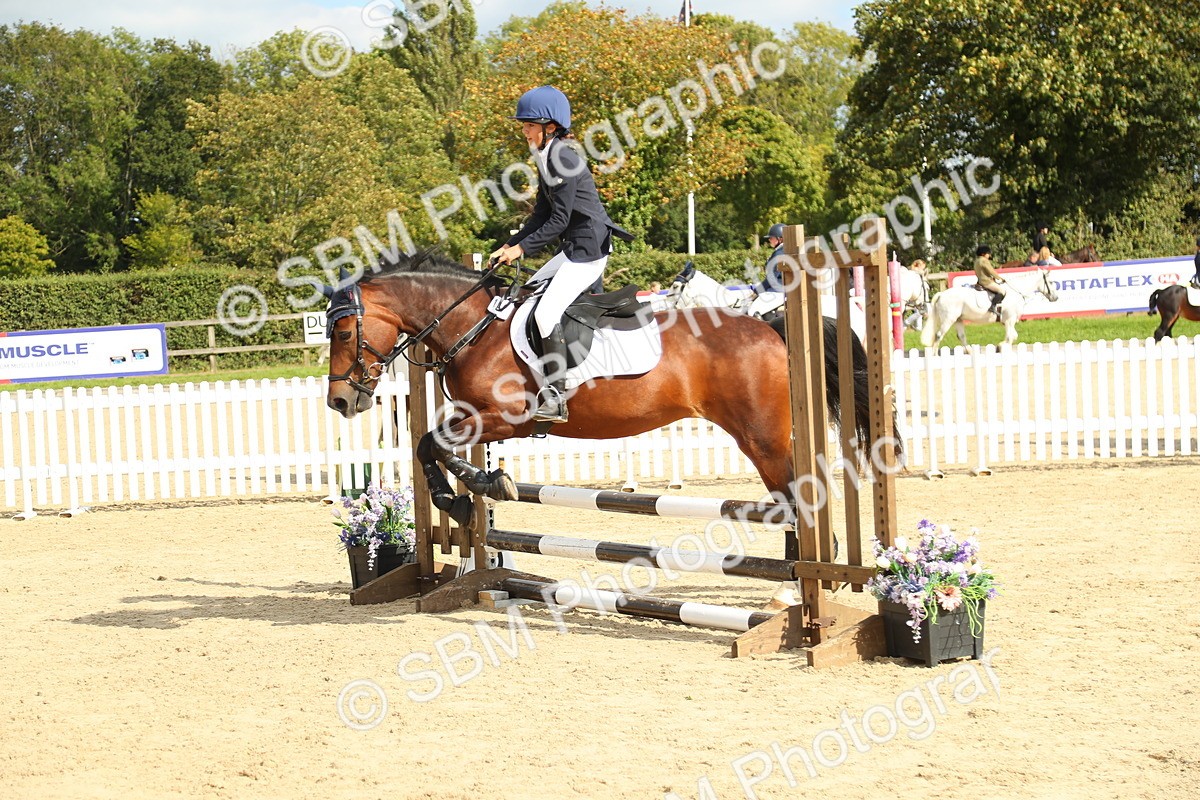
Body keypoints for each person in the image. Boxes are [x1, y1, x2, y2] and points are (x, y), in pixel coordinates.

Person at [490, 85, 633, 424]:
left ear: (550, 127)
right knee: (528, 298)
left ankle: (556, 396)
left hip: (588, 250)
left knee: (545, 313)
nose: (524, 132)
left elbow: (559, 220)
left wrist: (522, 249)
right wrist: (510, 246)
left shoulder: (564, 157)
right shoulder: (547, 155)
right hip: (573, 247)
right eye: (523, 126)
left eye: (529, 126)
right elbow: (540, 214)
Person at [750, 223, 786, 295]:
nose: (769, 240)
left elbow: (771, 279)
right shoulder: (787, 250)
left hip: (779, 291)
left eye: (771, 238)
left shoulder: (778, 253)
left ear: (780, 239)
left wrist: (756, 291)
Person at [973, 244, 1007, 317]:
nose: (989, 255)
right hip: (986, 282)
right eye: (988, 253)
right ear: (983, 254)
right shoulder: (984, 260)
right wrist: (999, 278)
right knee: (1002, 291)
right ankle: (992, 307)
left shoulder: (976, 261)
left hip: (980, 281)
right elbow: (990, 271)